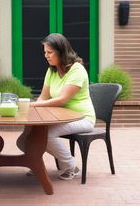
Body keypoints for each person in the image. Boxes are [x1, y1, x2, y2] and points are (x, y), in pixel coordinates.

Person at [17, 33, 96, 180]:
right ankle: (36, 163)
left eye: (50, 52)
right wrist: (33, 110)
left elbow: (61, 100)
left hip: (83, 118)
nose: (46, 56)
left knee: (46, 134)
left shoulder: (76, 70)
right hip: (59, 117)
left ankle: (72, 166)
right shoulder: (52, 70)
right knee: (23, 139)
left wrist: (33, 104)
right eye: (45, 52)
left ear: (61, 51)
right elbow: (43, 97)